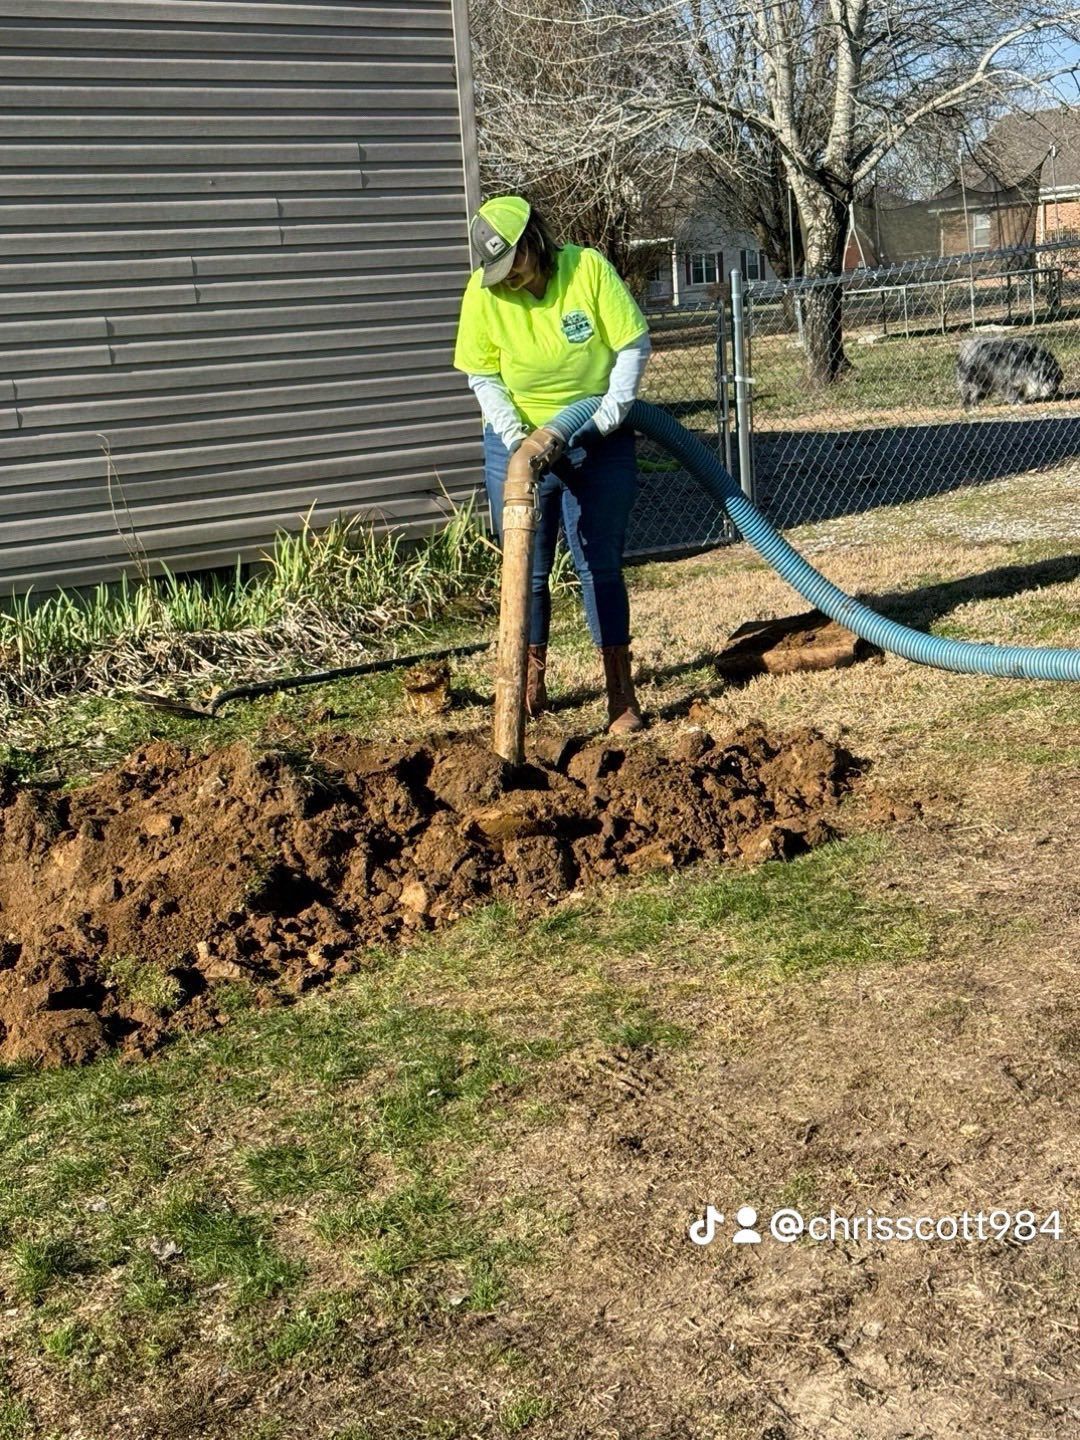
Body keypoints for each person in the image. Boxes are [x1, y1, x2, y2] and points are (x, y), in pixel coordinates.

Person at [453, 194, 652, 733]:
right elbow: (483, 374)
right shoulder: (484, 293)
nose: (506, 279)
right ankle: (527, 688)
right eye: (494, 270)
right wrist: (518, 438)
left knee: (598, 564)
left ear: (532, 241)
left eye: (511, 263)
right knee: (528, 567)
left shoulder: (586, 270)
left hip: (595, 434)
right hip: (516, 442)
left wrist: (610, 411)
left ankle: (620, 695)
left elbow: (632, 343)